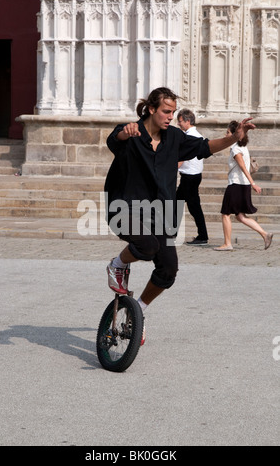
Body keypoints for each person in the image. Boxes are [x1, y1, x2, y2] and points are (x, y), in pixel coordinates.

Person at [105, 87, 255, 344]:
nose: (170, 117)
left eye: (173, 112)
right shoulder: (130, 132)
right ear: (151, 109)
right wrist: (123, 133)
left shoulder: (175, 138)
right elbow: (114, 138)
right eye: (166, 111)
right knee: (147, 245)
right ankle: (117, 264)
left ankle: (140, 308)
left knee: (169, 270)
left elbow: (206, 146)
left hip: (161, 211)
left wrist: (234, 138)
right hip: (125, 207)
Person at [214, 120, 273, 251]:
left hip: (236, 184)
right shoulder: (243, 147)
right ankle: (265, 234)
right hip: (242, 185)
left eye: (228, 132)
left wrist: (253, 183)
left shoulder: (235, 148)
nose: (226, 134)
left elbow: (243, 168)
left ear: (235, 133)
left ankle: (227, 243)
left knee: (225, 214)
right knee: (240, 216)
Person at [176, 108, 208, 245]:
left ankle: (202, 236)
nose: (178, 124)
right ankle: (172, 232)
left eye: (180, 121)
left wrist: (172, 169)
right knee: (178, 204)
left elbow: (183, 156)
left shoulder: (191, 136)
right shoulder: (195, 134)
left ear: (188, 121)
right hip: (191, 176)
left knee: (192, 206)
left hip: (190, 176)